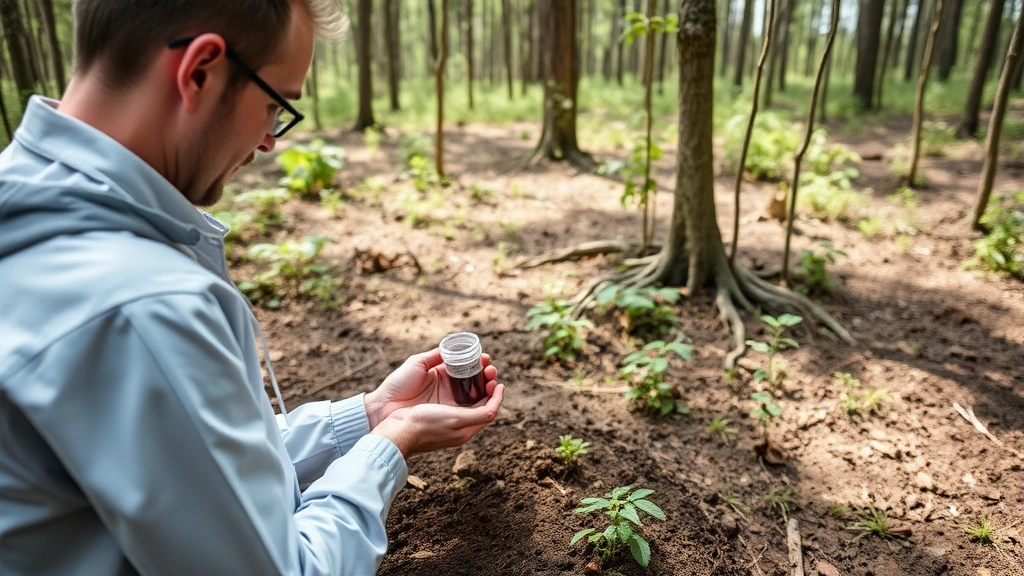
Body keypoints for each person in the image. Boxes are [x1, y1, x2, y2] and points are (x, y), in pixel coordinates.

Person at [0, 0, 505, 574]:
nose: (269, 141)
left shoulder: (26, 215)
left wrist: (370, 414)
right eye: (274, 104)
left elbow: (201, 474)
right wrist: (392, 443)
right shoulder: (141, 308)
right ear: (200, 71)